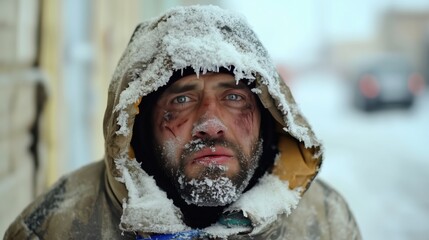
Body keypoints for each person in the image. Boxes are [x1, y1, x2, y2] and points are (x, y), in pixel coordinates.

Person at [4, 5, 361, 239]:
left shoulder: (324, 222)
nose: (210, 123)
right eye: (182, 98)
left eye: (234, 97)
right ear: (137, 124)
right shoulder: (57, 225)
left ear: (268, 117)